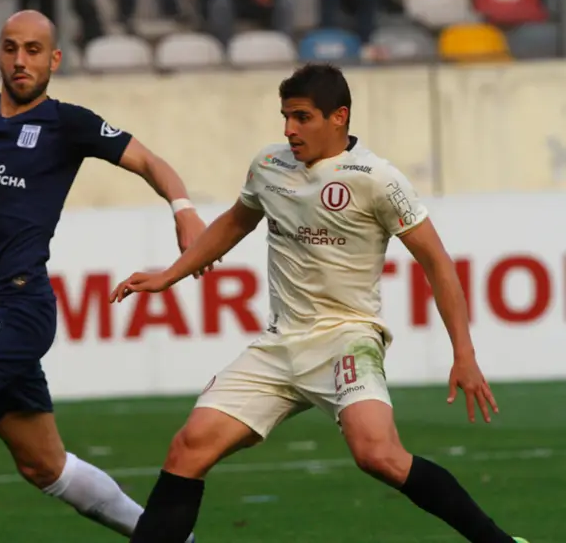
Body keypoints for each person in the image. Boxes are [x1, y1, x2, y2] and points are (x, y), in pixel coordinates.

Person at [109, 64, 530, 543]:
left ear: (339, 117)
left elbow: (437, 263)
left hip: (346, 340)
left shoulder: (377, 179)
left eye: (302, 117)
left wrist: (464, 354)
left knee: (378, 455)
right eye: (285, 117)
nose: (289, 129)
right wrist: (170, 274)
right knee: (188, 448)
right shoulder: (269, 165)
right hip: (280, 344)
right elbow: (236, 221)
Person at [0, 10, 205, 543]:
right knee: (45, 467)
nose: (20, 60)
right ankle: (167, 538)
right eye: (10, 48)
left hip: (21, 307)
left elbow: (148, 161)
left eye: (32, 50)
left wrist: (183, 210)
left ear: (54, 59)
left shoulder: (67, 124)